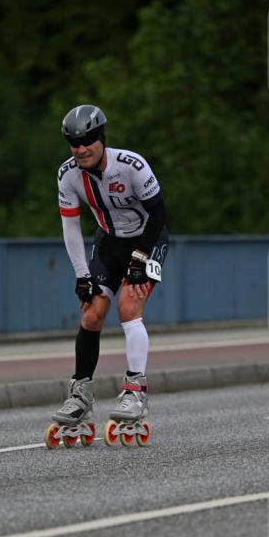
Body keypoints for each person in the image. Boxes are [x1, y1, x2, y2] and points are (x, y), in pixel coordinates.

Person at [52, 103, 168, 431]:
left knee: (128, 306)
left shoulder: (131, 165)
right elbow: (70, 228)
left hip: (148, 238)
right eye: (74, 143)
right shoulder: (68, 175)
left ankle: (135, 391)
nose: (81, 149)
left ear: (101, 137)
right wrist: (81, 276)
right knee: (91, 314)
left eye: (88, 140)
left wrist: (141, 257)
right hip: (109, 243)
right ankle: (81, 394)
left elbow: (159, 215)